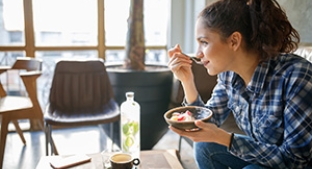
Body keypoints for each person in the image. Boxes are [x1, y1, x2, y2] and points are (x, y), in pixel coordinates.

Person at [167, 0, 312, 168]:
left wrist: (223, 138)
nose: (198, 54)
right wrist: (187, 80)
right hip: (266, 157)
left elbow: (295, 160)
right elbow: (207, 125)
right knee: (204, 146)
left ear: (234, 41)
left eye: (204, 42)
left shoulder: (296, 77)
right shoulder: (229, 75)